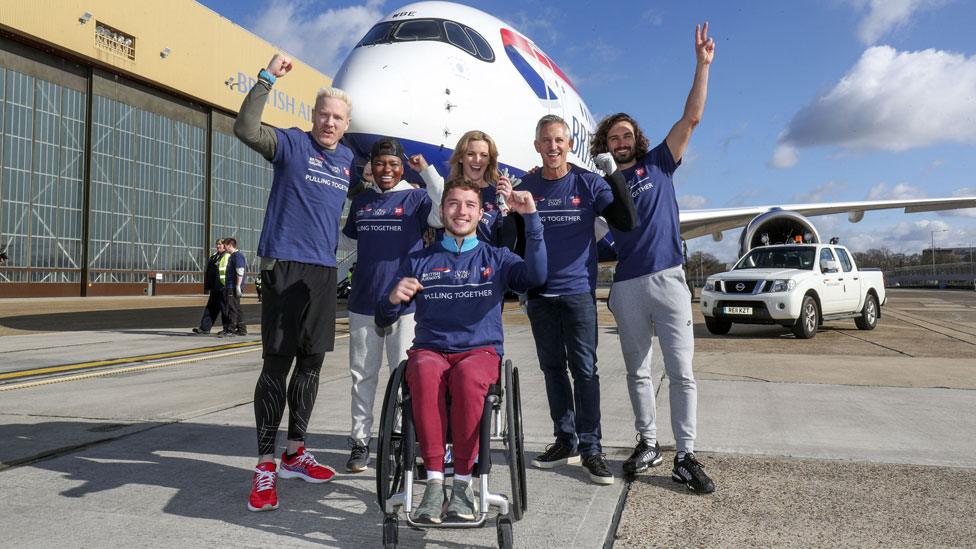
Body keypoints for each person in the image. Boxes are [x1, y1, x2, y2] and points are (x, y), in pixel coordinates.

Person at [588, 22, 716, 494]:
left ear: (635, 139)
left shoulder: (660, 161)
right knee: (637, 371)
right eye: (612, 138)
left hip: (667, 279)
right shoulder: (601, 187)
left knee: (681, 372)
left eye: (626, 135)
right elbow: (589, 233)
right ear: (604, 146)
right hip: (625, 286)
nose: (620, 141)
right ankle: (648, 443)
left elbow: (692, 118)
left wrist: (702, 66)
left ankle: (685, 454)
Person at [376, 179, 546, 523]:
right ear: (442, 211)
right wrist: (392, 297)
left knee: (469, 377)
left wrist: (532, 219)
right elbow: (384, 315)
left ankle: (464, 485)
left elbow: (536, 276)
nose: (461, 211)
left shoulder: (496, 257)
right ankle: (435, 482)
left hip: (478, 352)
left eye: (469, 204)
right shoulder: (418, 260)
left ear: (480, 212)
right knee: (422, 371)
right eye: (453, 204)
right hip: (431, 350)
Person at [233, 53, 355, 512]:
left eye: (337, 117)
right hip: (285, 264)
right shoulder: (291, 145)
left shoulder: (347, 161)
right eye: (323, 114)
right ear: (313, 115)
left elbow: (384, 193)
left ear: (346, 125)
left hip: (324, 272)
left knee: (312, 364)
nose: (329, 122)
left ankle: (295, 452)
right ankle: (265, 463)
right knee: (276, 365)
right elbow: (245, 130)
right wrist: (265, 79)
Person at [515, 114, 636, 485]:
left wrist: (613, 174)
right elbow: (515, 239)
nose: (553, 147)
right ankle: (564, 440)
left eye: (559, 141)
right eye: (546, 141)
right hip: (540, 297)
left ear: (569, 145)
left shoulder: (587, 182)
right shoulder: (526, 187)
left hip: (578, 294)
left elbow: (626, 220)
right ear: (537, 146)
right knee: (552, 370)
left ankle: (591, 447)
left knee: (584, 371)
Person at [341, 137, 443, 473]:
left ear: (402, 166)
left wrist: (426, 173)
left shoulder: (416, 198)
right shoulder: (362, 202)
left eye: (393, 163)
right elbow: (350, 237)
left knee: (405, 376)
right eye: (380, 163)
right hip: (364, 302)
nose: (387, 170)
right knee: (362, 376)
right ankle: (360, 442)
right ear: (371, 166)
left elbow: (443, 212)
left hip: (406, 303)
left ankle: (400, 438)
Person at [408, 130, 514, 246]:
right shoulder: (446, 191)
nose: (477, 160)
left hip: (486, 263)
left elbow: (507, 242)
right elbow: (437, 220)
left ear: (489, 160)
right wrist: (427, 172)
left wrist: (508, 209)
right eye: (470, 154)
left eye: (483, 155)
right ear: (460, 158)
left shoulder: (499, 197)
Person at [193, 239, 226, 335]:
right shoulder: (214, 257)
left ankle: (228, 329)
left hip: (223, 287)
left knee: (225, 309)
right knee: (210, 308)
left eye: (220, 244)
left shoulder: (227, 256)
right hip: (215, 287)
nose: (218, 246)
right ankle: (204, 328)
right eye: (217, 244)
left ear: (225, 246)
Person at [218, 237, 248, 337]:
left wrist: (238, 286)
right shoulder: (233, 256)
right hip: (231, 286)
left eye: (225, 245)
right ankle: (242, 329)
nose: (224, 247)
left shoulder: (237, 256)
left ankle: (230, 330)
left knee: (232, 308)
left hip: (233, 286)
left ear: (230, 245)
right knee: (237, 307)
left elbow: (240, 271)